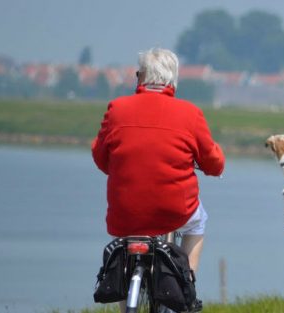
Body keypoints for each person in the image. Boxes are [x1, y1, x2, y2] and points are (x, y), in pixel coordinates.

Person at [92, 48, 224, 311]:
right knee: (198, 223)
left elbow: (100, 156)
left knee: (129, 247)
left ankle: (125, 303)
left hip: (125, 210)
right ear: (173, 80)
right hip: (174, 210)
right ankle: (187, 284)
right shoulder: (190, 113)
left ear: (140, 78)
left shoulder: (117, 108)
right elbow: (214, 163)